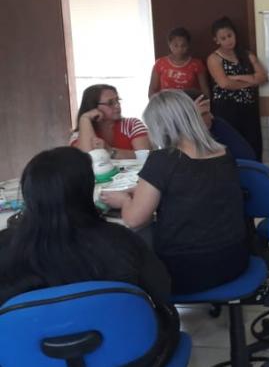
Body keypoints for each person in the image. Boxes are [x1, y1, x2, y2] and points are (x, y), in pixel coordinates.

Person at [0, 147, 179, 361]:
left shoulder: (5, 246)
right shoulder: (120, 240)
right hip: (129, 357)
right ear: (86, 190)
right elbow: (163, 290)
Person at [100, 91, 249, 295]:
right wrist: (142, 188)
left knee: (125, 247)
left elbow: (134, 220)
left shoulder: (163, 159)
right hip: (235, 260)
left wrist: (124, 200)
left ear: (161, 127)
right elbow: (193, 184)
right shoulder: (223, 152)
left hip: (186, 271)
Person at [207, 16, 267, 161]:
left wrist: (236, 78)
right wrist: (250, 79)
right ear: (216, 40)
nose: (228, 40)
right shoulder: (214, 58)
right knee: (230, 150)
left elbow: (262, 78)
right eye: (223, 38)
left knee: (253, 147)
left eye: (230, 35)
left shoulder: (246, 54)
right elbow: (224, 84)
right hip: (226, 109)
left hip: (248, 108)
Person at [71, 84, 151, 159]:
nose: (117, 105)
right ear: (93, 106)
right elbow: (89, 158)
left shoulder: (132, 125)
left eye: (118, 100)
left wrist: (110, 151)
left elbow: (147, 156)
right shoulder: (78, 135)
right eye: (110, 103)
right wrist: (85, 118)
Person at [185, 89, 257, 161]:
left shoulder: (217, 125)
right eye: (204, 114)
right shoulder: (178, 136)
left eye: (209, 112)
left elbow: (247, 157)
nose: (211, 117)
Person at [148, 27, 209, 98]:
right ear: (169, 44)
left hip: (190, 105)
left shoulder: (197, 64)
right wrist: (157, 106)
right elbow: (152, 90)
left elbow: (205, 90)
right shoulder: (160, 63)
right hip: (166, 105)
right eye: (175, 45)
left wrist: (205, 105)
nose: (179, 49)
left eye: (183, 45)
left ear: (188, 45)